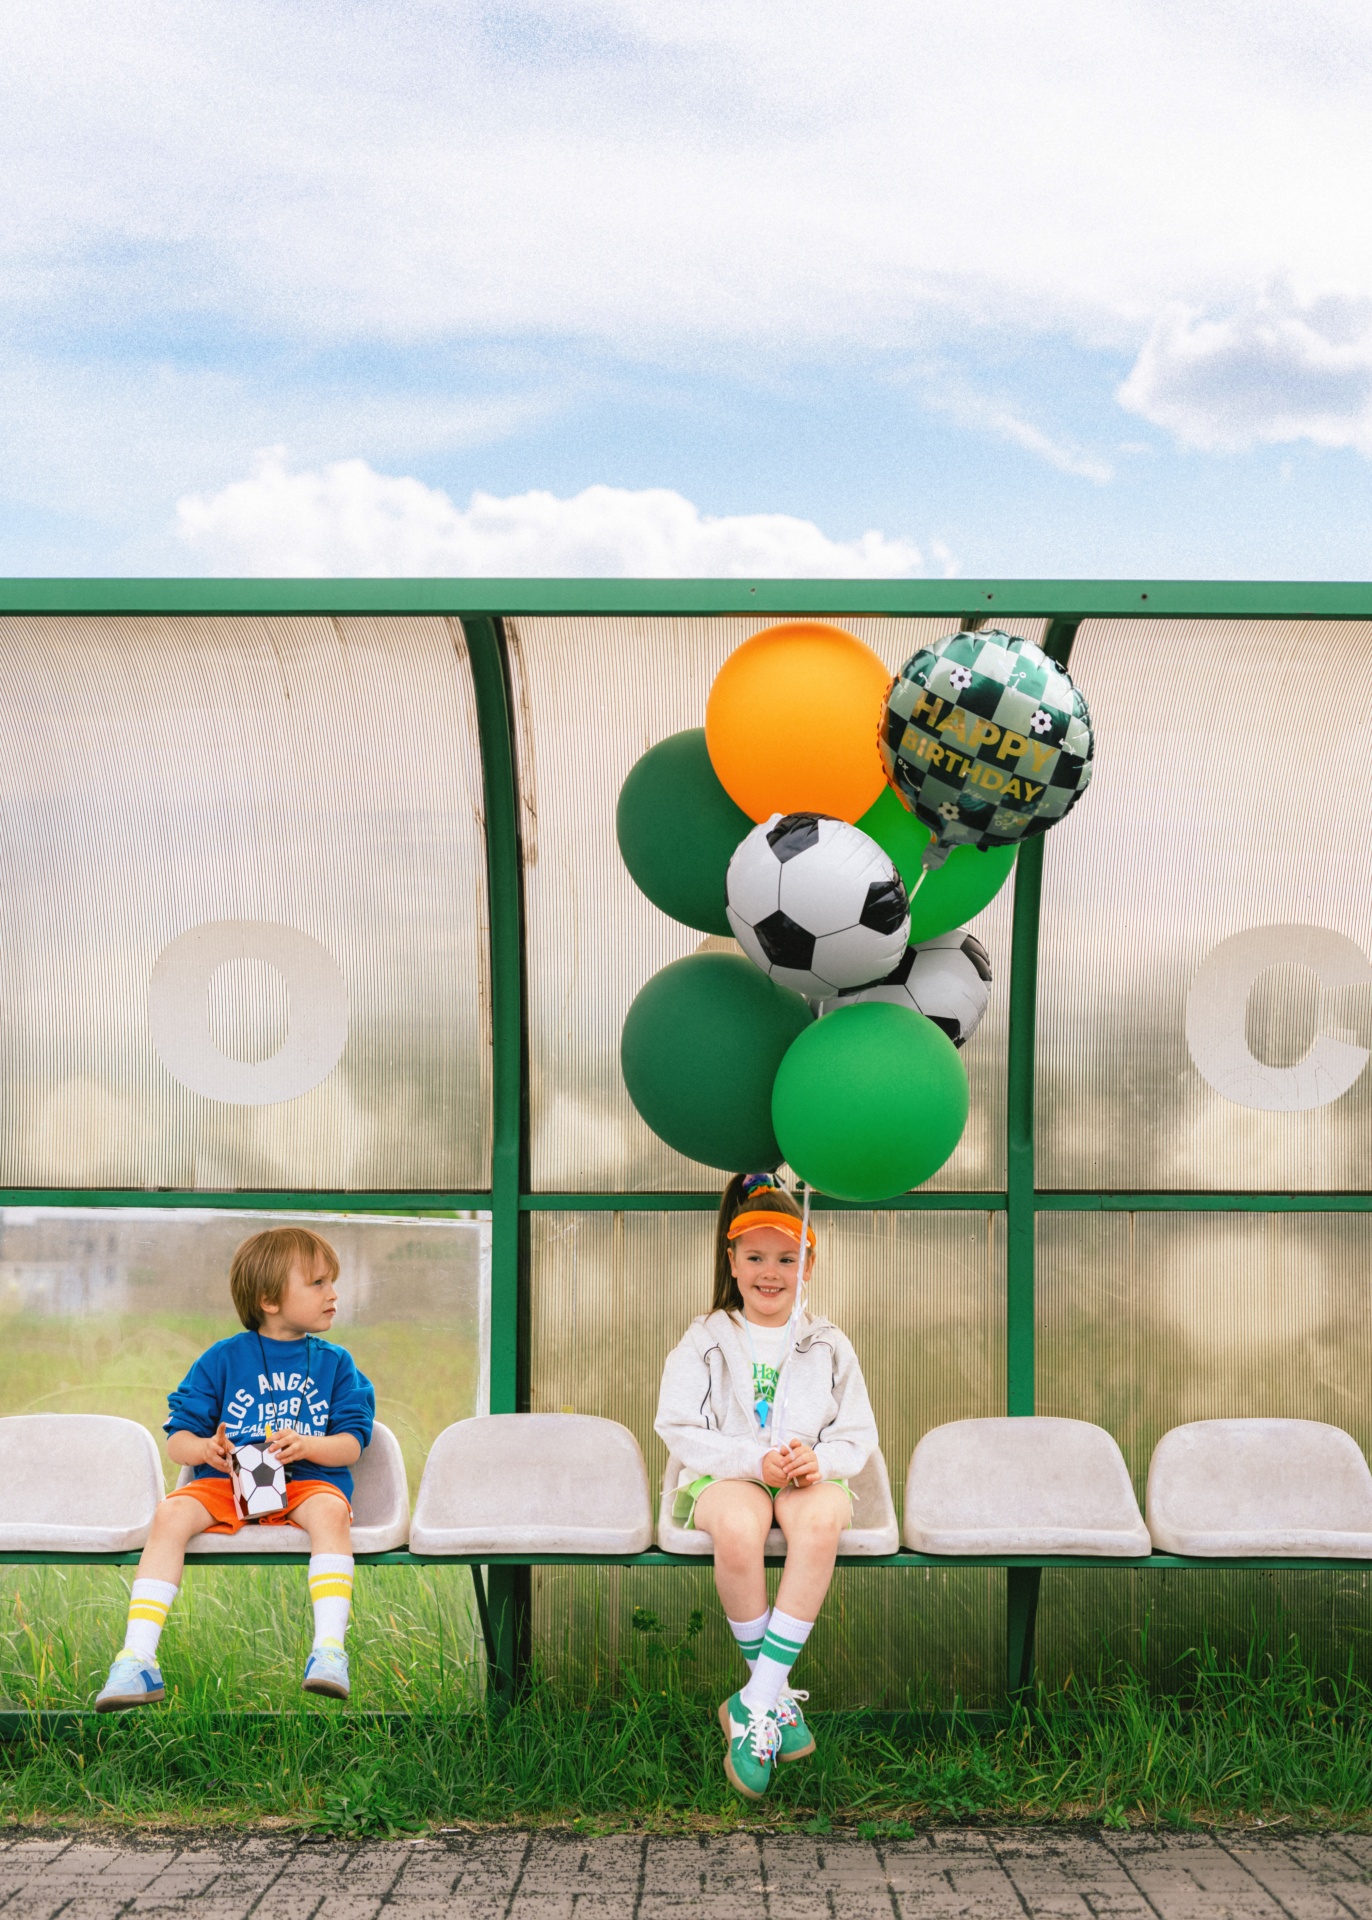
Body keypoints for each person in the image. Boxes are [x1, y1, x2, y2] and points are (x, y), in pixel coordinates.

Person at [654, 1173, 879, 1799]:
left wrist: (817, 1460)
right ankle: (773, 1701)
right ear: (732, 1261)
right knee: (737, 1524)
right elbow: (677, 1426)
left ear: (808, 1262)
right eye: (754, 1257)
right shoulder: (705, 1339)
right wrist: (754, 1464)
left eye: (786, 1258)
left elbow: (856, 1433)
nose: (769, 1272)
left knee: (819, 1520)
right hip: (729, 1474)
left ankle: (753, 1701)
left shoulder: (828, 1343)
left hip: (806, 1477)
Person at [95, 1225, 375, 1711]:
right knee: (169, 1516)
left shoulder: (337, 1364)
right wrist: (205, 1450)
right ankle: (136, 1659)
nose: (333, 1294)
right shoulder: (222, 1359)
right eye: (317, 1283)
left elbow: (351, 1444)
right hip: (228, 1484)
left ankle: (329, 1651)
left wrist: (309, 1444)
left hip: (308, 1483)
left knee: (331, 1513)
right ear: (269, 1299)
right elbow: (178, 1439)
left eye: (332, 1282)